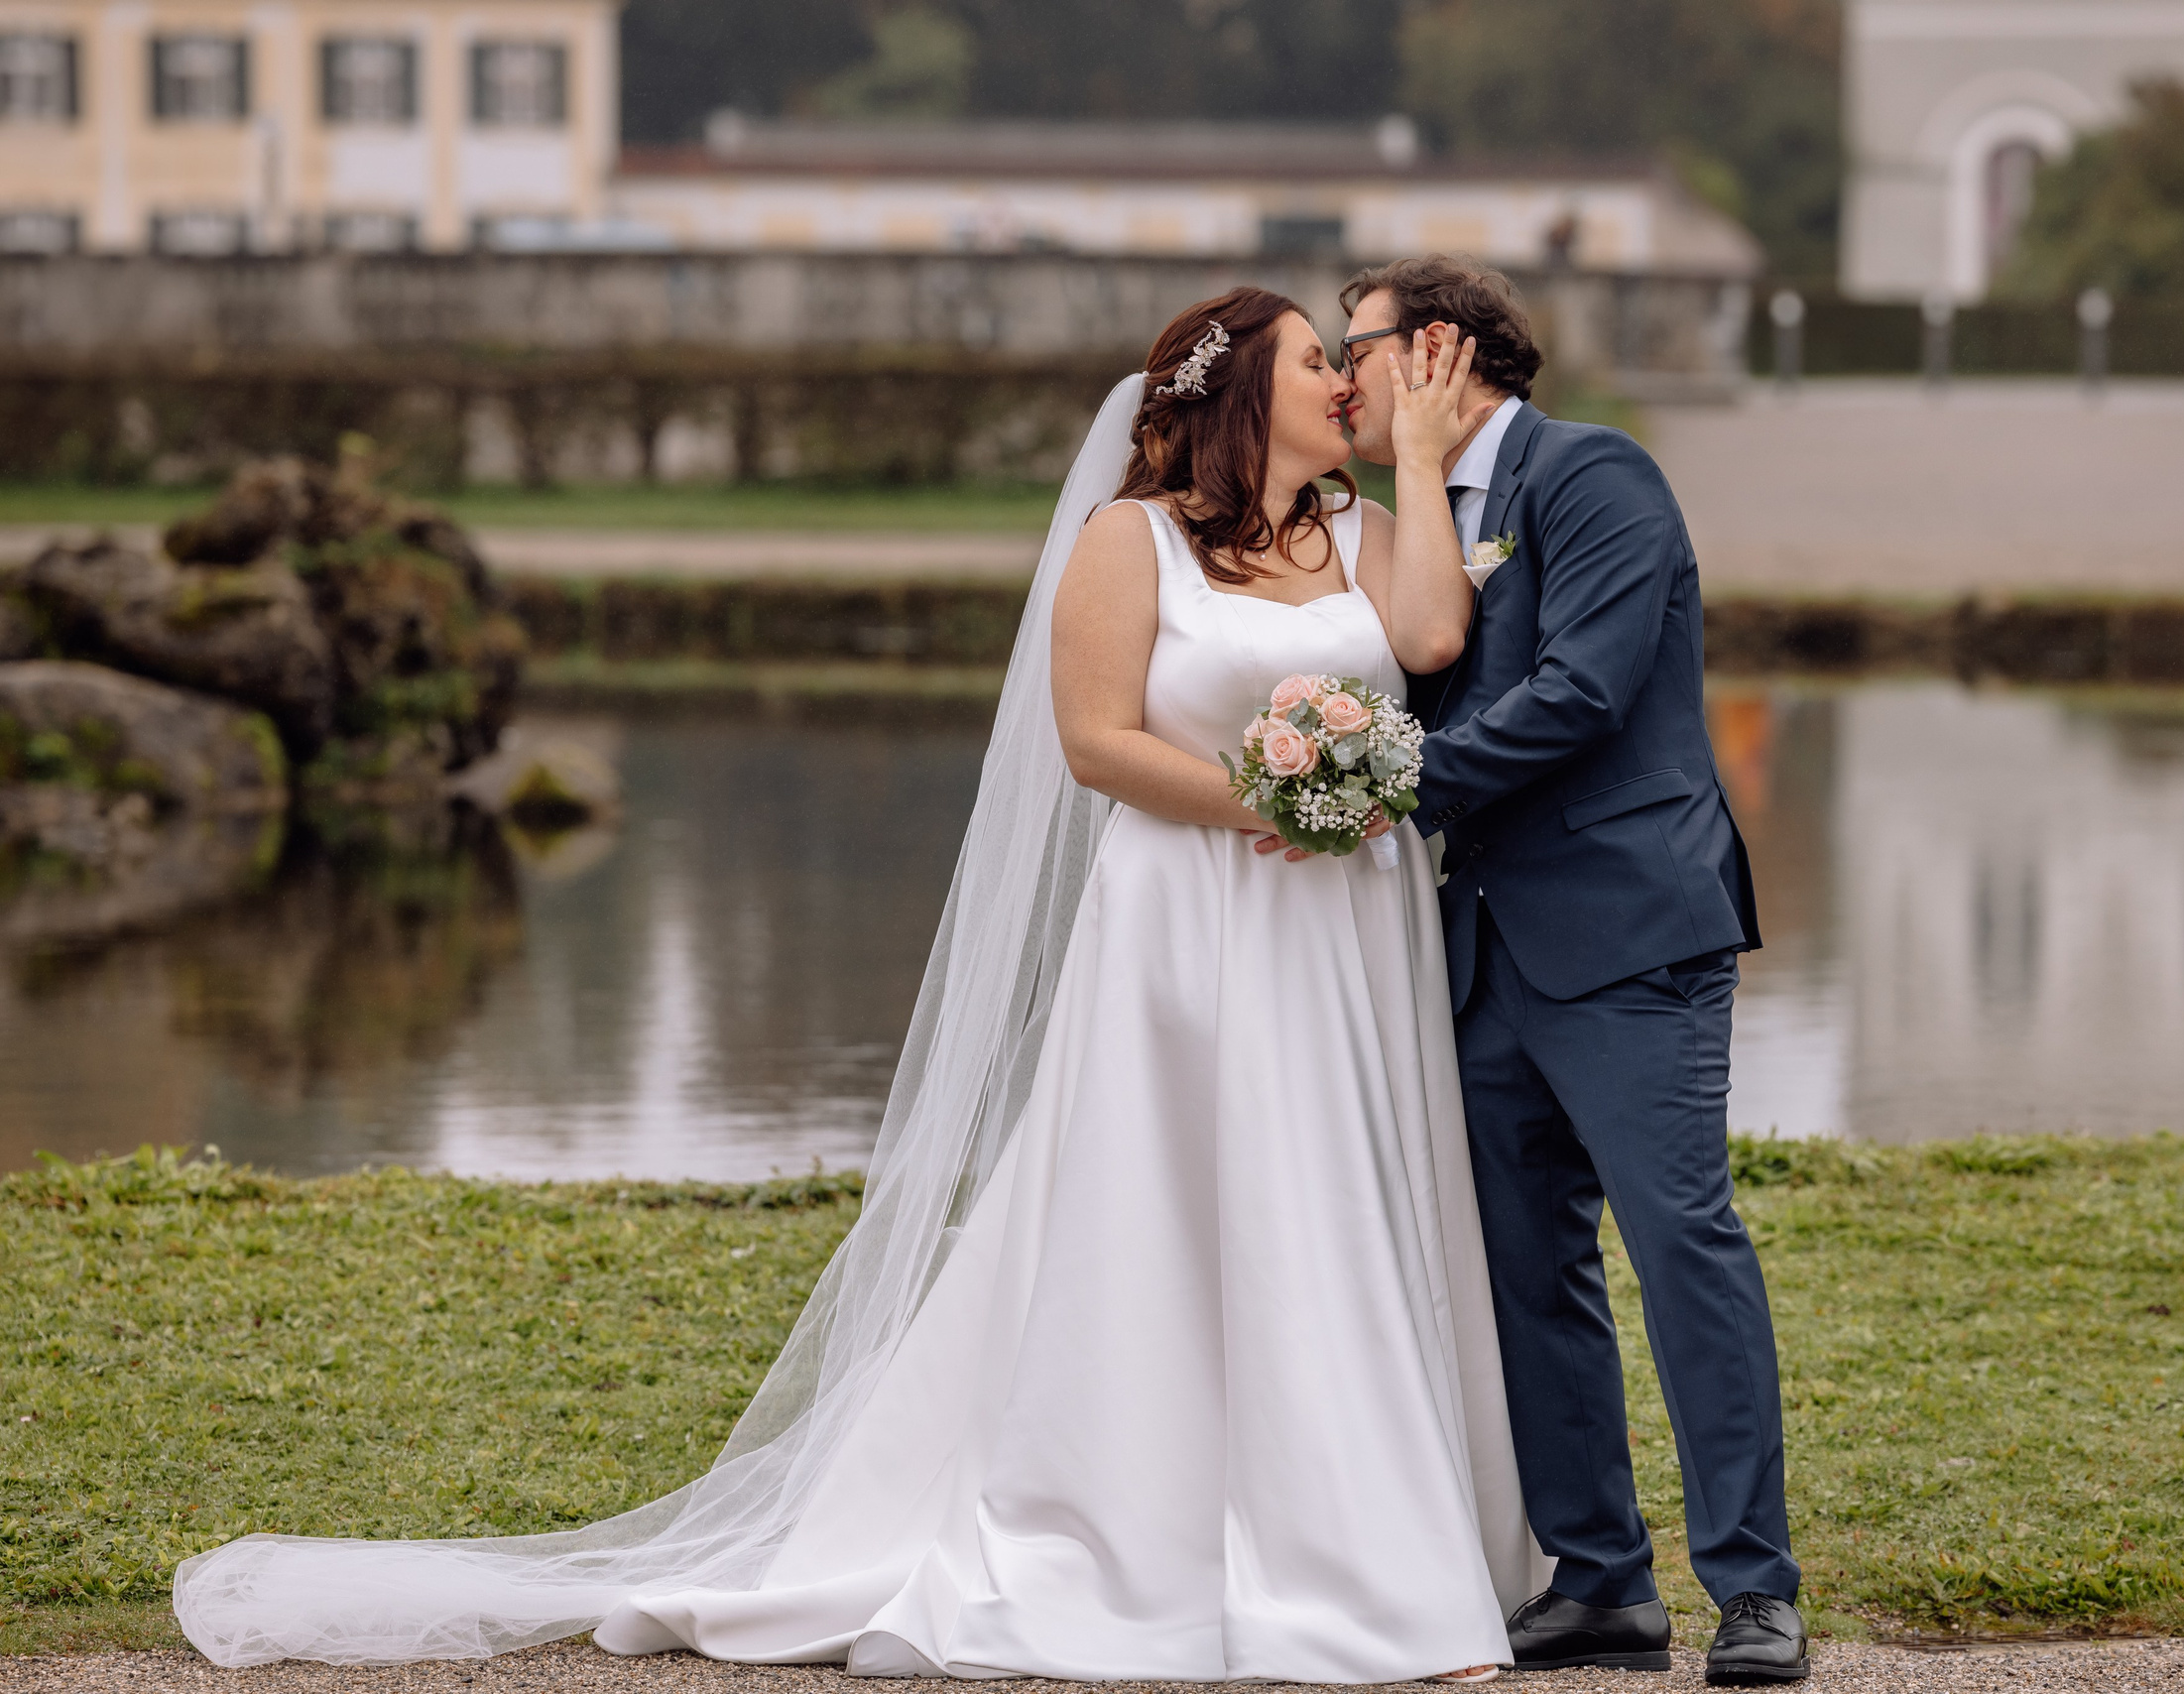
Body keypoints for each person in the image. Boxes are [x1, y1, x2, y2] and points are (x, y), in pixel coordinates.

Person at [173, 287, 1544, 1682]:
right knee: (1181, 1207)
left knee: (1334, 1199)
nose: (1346, 384)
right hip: (1190, 922)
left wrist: (1422, 471)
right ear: (1245, 392)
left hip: (1340, 935)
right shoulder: (1128, 543)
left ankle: (1364, 1541)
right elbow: (1095, 743)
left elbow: (1431, 644)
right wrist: (1262, 802)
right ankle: (1157, 1535)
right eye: (1320, 363)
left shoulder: (1365, 529)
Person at [1338, 254, 1809, 1685]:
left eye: (1353, 347)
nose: (1339, 377)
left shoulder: (1597, 478)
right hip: (1481, 947)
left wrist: (1387, 784)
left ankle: (1755, 1591)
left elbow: (1584, 695)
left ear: (1437, 352)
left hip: (1627, 931)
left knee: (1681, 1246)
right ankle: (1599, 1579)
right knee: (1529, 1271)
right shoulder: (1409, 518)